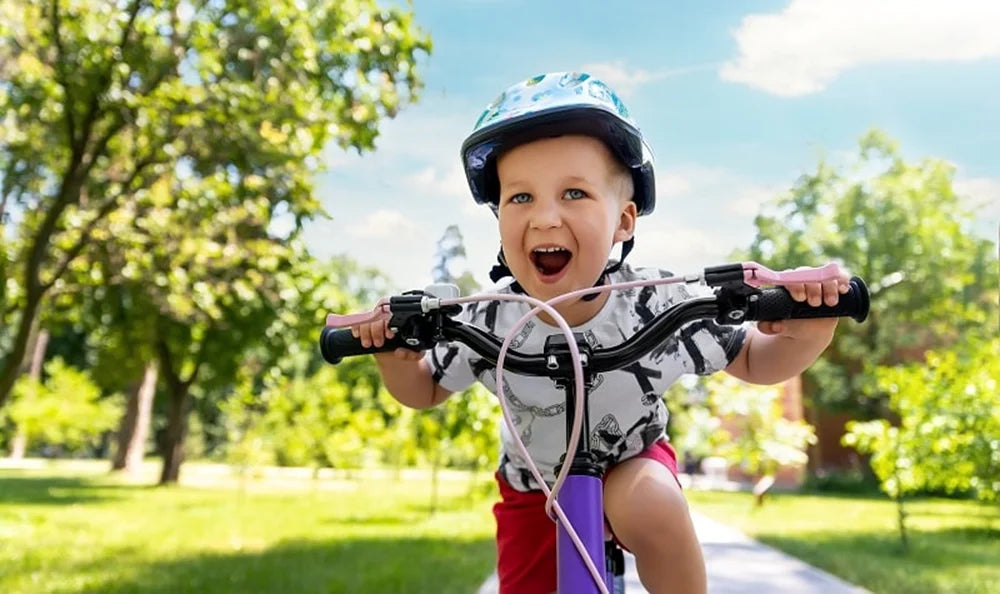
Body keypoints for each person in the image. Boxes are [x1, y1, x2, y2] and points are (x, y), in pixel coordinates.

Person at [351, 72, 849, 594]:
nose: (545, 218)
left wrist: (808, 333)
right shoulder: (487, 317)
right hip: (534, 490)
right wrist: (396, 360)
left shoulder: (653, 303)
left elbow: (753, 359)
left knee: (652, 501)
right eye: (520, 198)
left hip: (632, 466)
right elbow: (426, 389)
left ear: (624, 221)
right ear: (498, 217)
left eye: (574, 193)